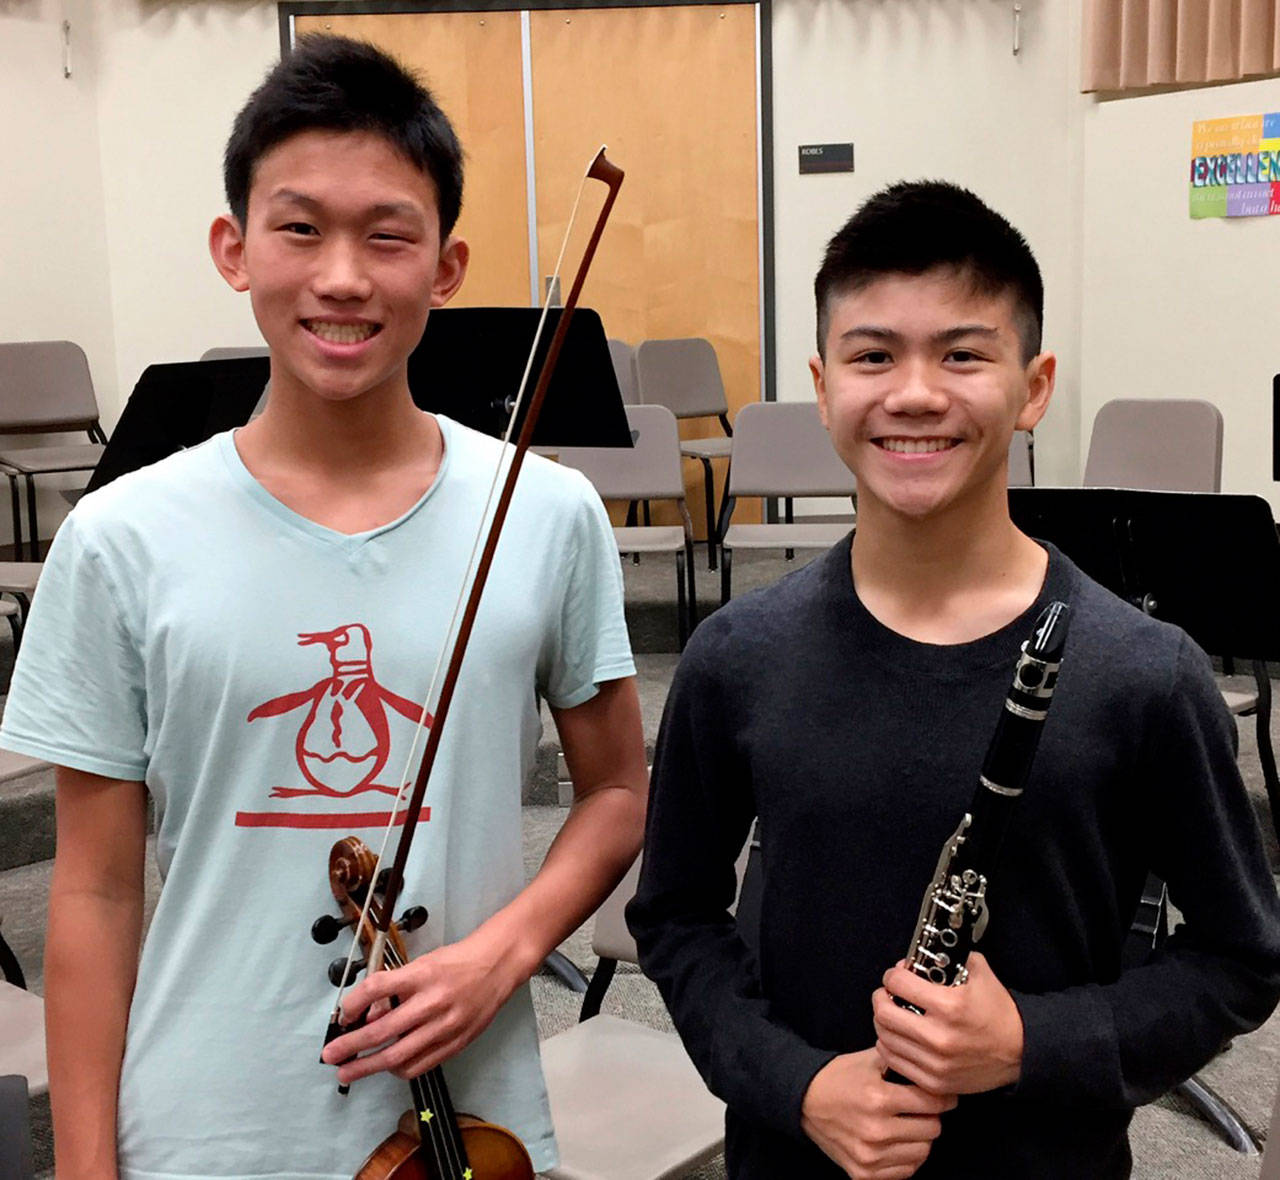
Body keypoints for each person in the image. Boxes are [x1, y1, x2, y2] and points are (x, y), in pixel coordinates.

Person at [1, 35, 647, 1180]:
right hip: (201, 1123)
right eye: (298, 228)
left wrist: (503, 953)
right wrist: (85, 1168)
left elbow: (614, 792)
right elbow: (95, 890)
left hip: (465, 1122)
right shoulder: (120, 537)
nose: (342, 276)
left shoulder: (543, 513)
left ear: (444, 266)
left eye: (385, 234)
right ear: (232, 248)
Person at [626, 181, 1280, 1179]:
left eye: (962, 353)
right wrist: (794, 1081)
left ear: (1033, 384)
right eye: (873, 354)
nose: (914, 392)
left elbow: (1239, 959)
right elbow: (673, 919)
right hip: (795, 1158)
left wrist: (1030, 1041)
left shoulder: (1145, 674)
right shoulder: (735, 658)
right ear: (821, 383)